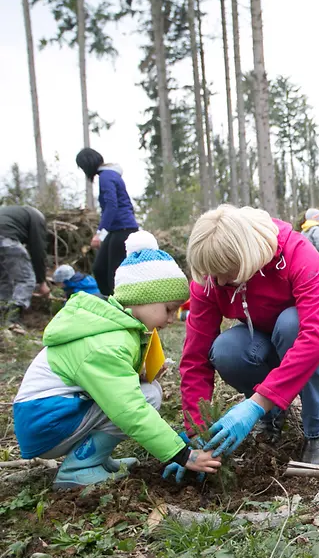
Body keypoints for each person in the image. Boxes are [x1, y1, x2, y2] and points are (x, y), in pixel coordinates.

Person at [12, 231, 220, 489]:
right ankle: (79, 467)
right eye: (168, 308)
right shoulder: (108, 343)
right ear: (142, 297)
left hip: (50, 415)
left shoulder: (112, 327)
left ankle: (97, 458)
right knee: (144, 397)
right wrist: (182, 454)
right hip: (45, 421)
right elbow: (128, 408)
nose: (170, 318)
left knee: (148, 390)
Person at [180, 205, 319, 465]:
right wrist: (196, 433)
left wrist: (256, 402)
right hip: (266, 334)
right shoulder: (210, 279)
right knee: (226, 349)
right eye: (211, 275)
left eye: (225, 274)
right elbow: (195, 358)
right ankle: (272, 418)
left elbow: (315, 337)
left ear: (246, 257)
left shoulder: (296, 252)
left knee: (291, 324)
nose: (217, 283)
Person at [75, 148, 139, 296]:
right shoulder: (109, 175)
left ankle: (120, 310)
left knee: (113, 274)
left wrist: (100, 234)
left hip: (123, 229)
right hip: (117, 229)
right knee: (100, 269)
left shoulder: (106, 176)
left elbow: (112, 205)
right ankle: (110, 304)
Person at [0, 205, 50, 324]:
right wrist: (41, 282)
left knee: (4, 280)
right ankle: (12, 321)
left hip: (4, 236)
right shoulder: (37, 218)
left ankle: (2, 315)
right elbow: (37, 250)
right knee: (26, 280)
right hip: (7, 239)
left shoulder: (16, 213)